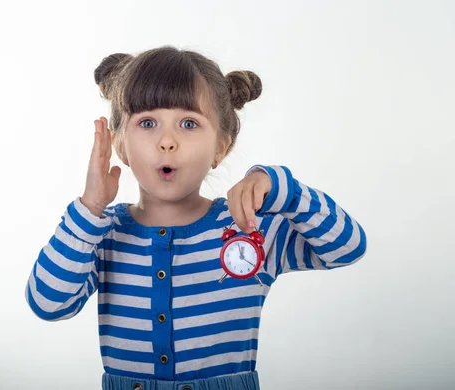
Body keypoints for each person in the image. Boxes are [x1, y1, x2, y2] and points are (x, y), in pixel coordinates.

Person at [24, 45, 367, 390]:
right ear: (120, 144)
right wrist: (89, 208)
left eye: (189, 123)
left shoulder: (248, 225)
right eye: (147, 122)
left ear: (221, 147)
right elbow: (49, 303)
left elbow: (346, 247)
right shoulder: (99, 234)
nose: (167, 141)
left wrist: (281, 188)